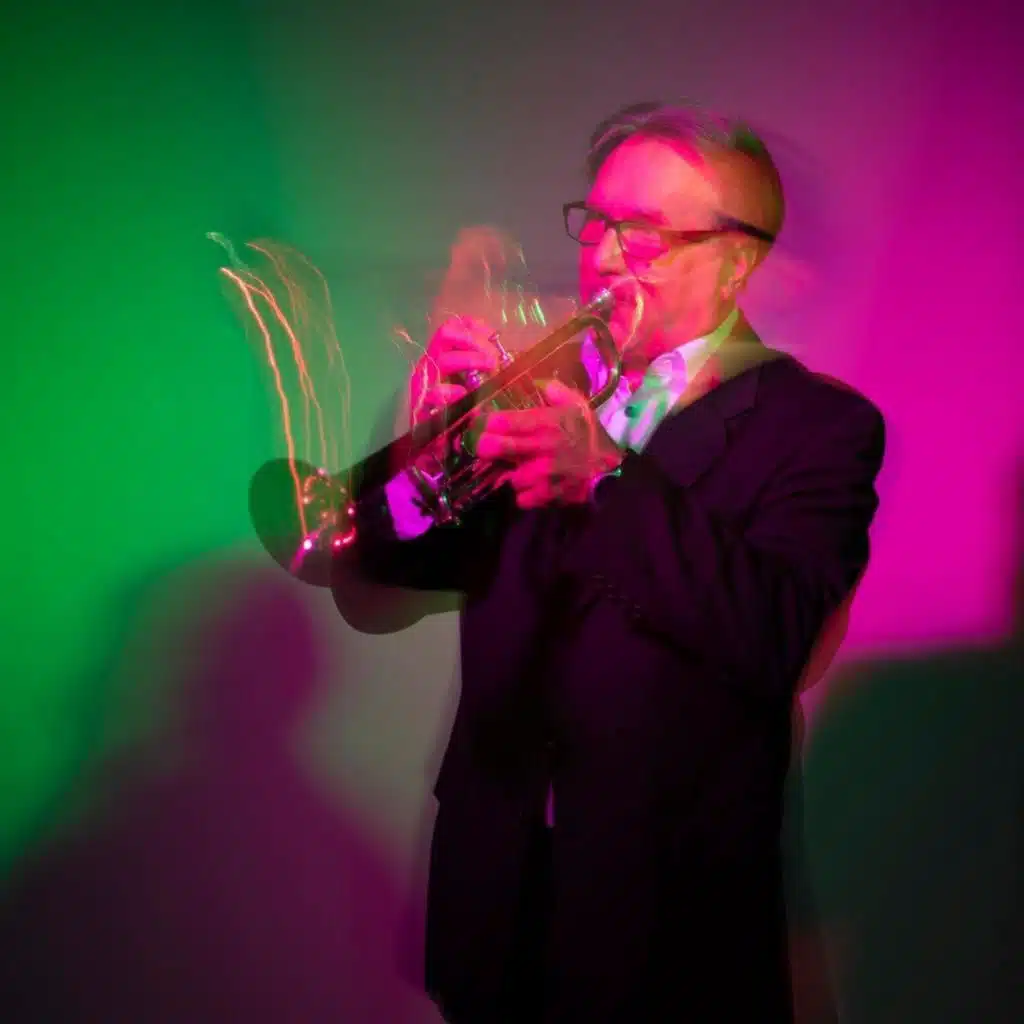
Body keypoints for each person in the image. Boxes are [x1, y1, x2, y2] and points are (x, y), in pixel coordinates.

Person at [338, 101, 886, 1023]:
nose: (604, 256)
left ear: (737, 260)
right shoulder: (538, 392)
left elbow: (777, 635)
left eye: (646, 234)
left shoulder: (817, 426)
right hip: (500, 902)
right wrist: (429, 443)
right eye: (596, 223)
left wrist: (606, 482)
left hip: (674, 921)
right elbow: (389, 565)